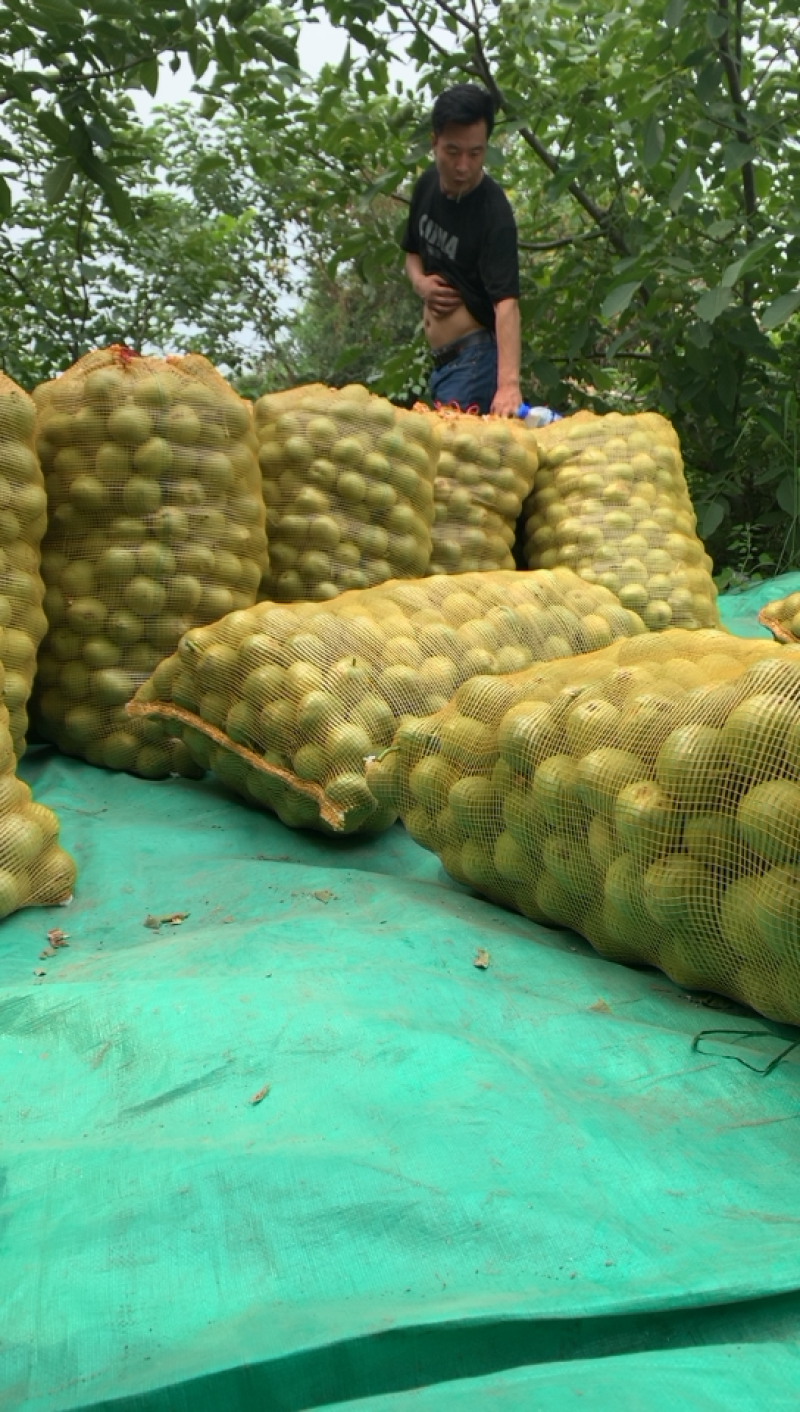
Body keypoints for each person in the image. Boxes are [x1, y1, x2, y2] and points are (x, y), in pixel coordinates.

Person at [401, 83, 522, 417]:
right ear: (434, 142)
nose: (463, 166)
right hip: (442, 364)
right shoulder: (426, 186)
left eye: (475, 153)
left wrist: (508, 385)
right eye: (453, 152)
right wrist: (420, 284)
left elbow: (506, 303)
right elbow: (411, 252)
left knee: (450, 464)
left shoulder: (493, 212)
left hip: (475, 361)